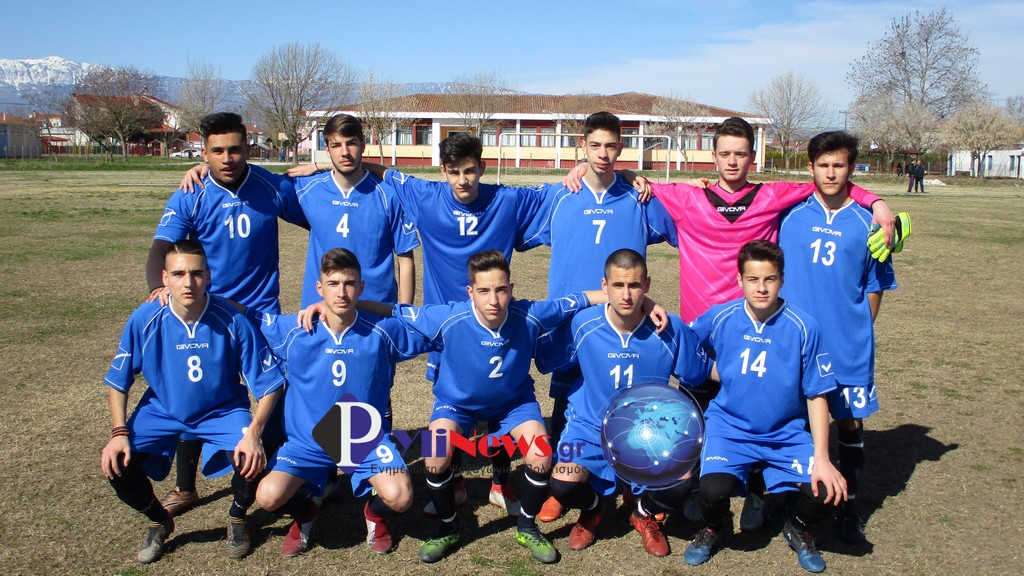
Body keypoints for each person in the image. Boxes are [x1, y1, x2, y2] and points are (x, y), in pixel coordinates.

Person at [357, 250, 624, 564]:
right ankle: (448, 528)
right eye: (484, 291)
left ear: (511, 288)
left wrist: (643, 302)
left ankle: (527, 527)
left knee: (541, 455)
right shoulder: (448, 317)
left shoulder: (529, 314)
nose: (494, 300)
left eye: (501, 289)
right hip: (457, 405)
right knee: (434, 455)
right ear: (470, 292)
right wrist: (340, 304)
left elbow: (581, 299)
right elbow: (394, 310)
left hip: (514, 404)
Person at [517, 111, 676, 523]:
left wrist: (642, 178)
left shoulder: (638, 197)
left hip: (623, 318)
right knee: (566, 395)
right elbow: (512, 225)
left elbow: (683, 222)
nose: (603, 154)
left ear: (621, 148)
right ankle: (563, 480)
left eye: (611, 146)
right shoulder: (560, 196)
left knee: (625, 397)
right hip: (572, 319)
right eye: (595, 145)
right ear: (581, 146)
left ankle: (629, 483)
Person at [148, 112, 303, 518]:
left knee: (272, 394)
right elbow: (162, 246)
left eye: (235, 149)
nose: (227, 158)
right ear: (204, 153)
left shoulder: (270, 187)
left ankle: (262, 478)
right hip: (209, 315)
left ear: (248, 148)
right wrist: (157, 288)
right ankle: (185, 487)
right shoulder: (192, 192)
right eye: (217, 151)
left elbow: (319, 216)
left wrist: (316, 170)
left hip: (261, 315)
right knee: (199, 394)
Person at [100, 240, 284, 564]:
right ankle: (158, 519)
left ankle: (237, 518)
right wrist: (118, 433)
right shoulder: (145, 318)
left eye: (197, 273)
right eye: (178, 274)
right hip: (163, 410)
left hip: (222, 410)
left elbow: (270, 385)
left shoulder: (232, 319)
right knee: (117, 465)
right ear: (164, 278)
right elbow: (118, 380)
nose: (188, 282)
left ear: (208, 276)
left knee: (252, 456)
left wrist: (254, 433)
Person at [242, 248, 430, 557]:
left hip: (366, 442)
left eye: (349, 284)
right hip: (307, 444)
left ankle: (374, 514)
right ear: (319, 288)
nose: (341, 292)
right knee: (267, 496)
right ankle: (305, 513)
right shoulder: (296, 330)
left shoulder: (381, 331)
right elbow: (246, 315)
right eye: (332, 284)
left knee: (400, 496)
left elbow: (429, 325)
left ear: (361, 287)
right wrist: (182, 294)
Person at [683, 240, 846, 573]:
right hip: (730, 429)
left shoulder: (804, 327)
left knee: (828, 491)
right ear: (740, 280)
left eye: (769, 279)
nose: (761, 288)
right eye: (753, 279)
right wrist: (712, 370)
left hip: (785, 434)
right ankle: (715, 528)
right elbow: (686, 341)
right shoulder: (722, 316)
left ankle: (797, 526)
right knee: (711, 492)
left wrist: (823, 458)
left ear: (782, 279)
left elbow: (816, 394)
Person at [535, 249, 710, 557]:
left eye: (634, 285)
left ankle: (643, 512)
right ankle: (594, 508)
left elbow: (699, 373)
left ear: (647, 285)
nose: (626, 295)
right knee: (562, 483)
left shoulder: (669, 329)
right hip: (590, 427)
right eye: (618, 285)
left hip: (648, 432)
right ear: (605, 286)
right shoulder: (583, 325)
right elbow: (544, 357)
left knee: (683, 480)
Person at [778, 131, 898, 544]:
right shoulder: (789, 215)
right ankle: (788, 502)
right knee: (795, 419)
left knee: (848, 420)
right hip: (796, 345)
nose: (831, 173)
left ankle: (850, 508)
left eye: (839, 165)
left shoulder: (869, 223)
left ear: (851, 169)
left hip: (847, 345)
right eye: (823, 165)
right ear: (810, 167)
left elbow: (875, 285)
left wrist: (858, 329)